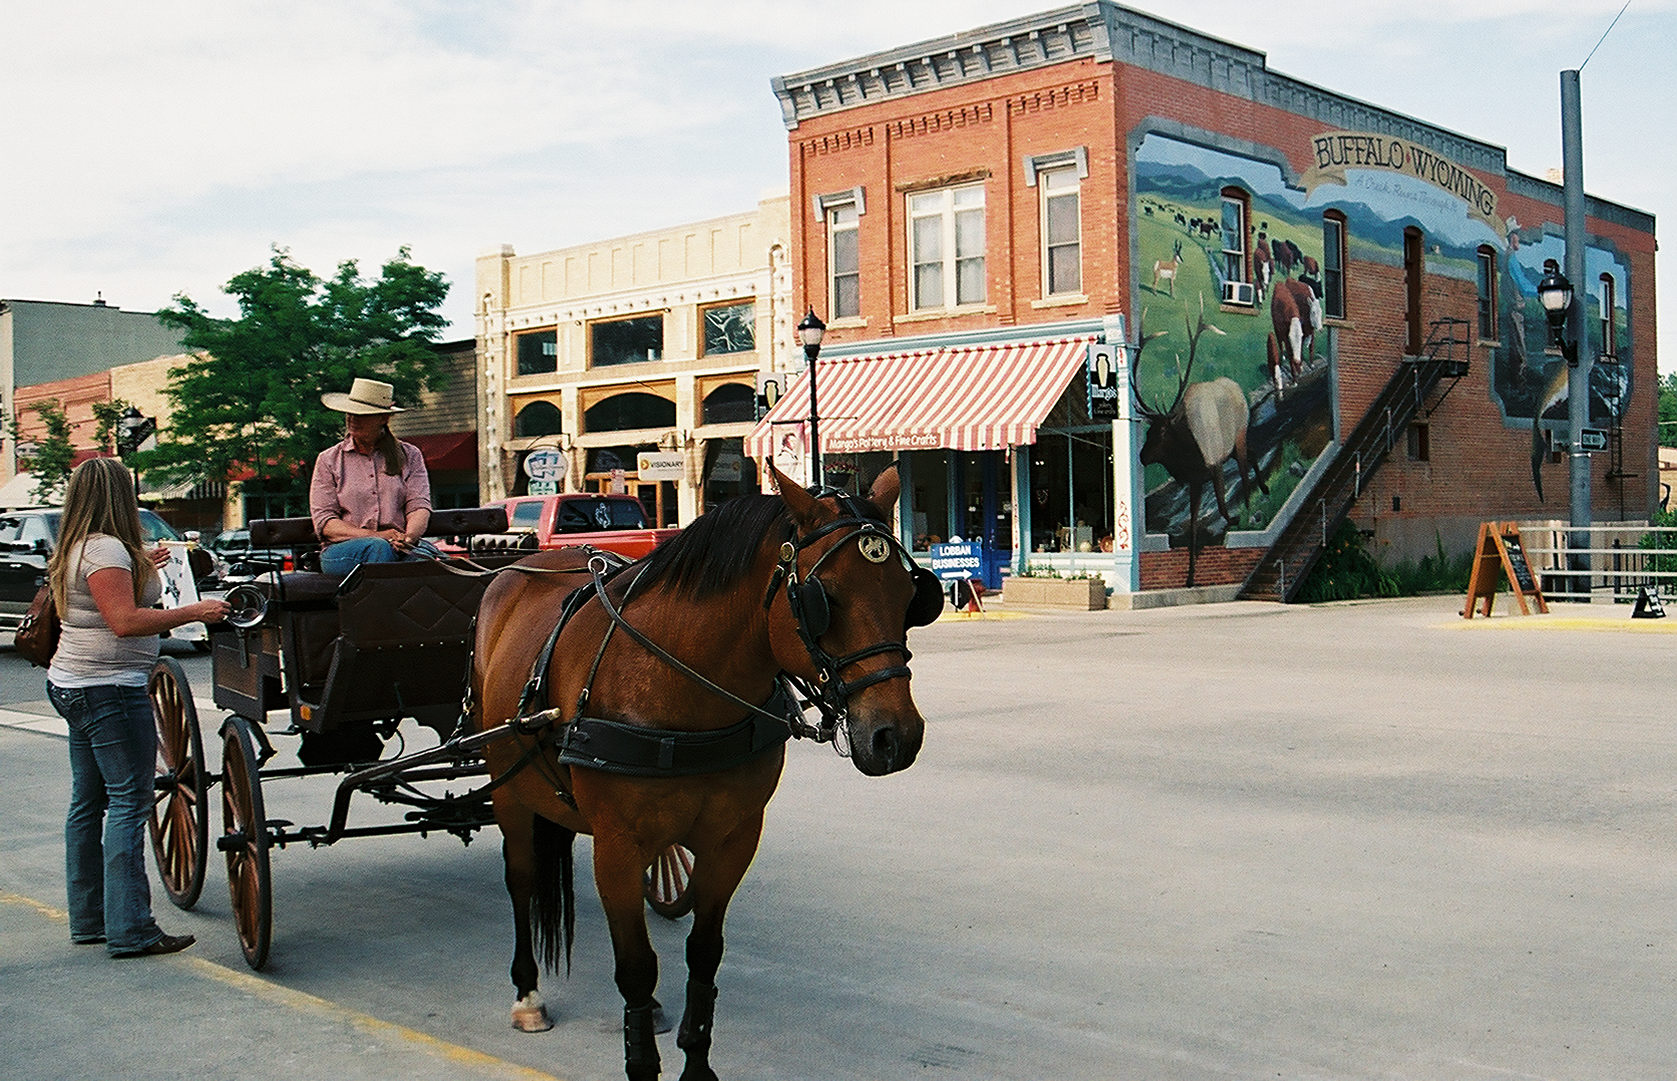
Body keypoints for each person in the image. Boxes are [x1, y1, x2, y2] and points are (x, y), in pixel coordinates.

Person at [45, 456, 230, 958]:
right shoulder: (105, 550)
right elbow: (124, 621)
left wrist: (144, 562)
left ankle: (90, 919)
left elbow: (106, 595)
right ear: (117, 497)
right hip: (107, 687)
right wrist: (197, 611)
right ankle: (132, 929)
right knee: (130, 803)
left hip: (74, 682)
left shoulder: (80, 546)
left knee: (88, 801)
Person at [310, 377, 437, 575]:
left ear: (383, 418)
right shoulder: (329, 460)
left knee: (430, 559)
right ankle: (382, 606)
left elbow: (418, 505)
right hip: (341, 551)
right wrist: (377, 536)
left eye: (361, 415)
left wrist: (409, 538)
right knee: (378, 548)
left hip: (396, 546)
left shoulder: (410, 455)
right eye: (350, 413)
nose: (352, 419)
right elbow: (326, 523)